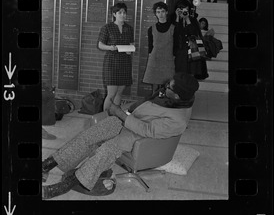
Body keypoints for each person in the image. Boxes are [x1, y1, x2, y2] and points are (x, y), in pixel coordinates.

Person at [42, 72, 199, 199]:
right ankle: (47, 165)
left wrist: (121, 115)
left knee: (106, 150)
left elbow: (147, 130)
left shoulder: (179, 119)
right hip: (129, 120)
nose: (165, 87)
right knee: (88, 136)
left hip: (139, 137)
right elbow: (142, 107)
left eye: (169, 87)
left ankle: (65, 186)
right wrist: (121, 111)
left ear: (177, 96)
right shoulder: (170, 97)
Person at [98, 3, 134, 111]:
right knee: (111, 93)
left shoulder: (129, 28)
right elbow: (100, 45)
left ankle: (114, 118)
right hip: (112, 62)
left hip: (125, 62)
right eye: (120, 13)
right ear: (114, 14)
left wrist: (130, 50)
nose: (122, 15)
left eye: (124, 12)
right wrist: (110, 47)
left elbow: (131, 44)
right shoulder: (107, 27)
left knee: (119, 93)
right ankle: (104, 119)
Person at [172, 0, 209, 80]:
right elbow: (175, 34)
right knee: (179, 75)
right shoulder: (174, 20)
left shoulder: (192, 20)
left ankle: (189, 92)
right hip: (179, 52)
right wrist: (177, 18)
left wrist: (187, 19)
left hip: (192, 51)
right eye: (181, 9)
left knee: (190, 76)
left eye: (186, 9)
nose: (184, 11)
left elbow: (194, 34)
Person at [143, 1, 175, 93]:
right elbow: (150, 46)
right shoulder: (151, 29)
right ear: (155, 14)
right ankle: (154, 104)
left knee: (168, 87)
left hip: (168, 59)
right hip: (155, 59)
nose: (160, 14)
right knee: (154, 87)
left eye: (163, 11)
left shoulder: (173, 28)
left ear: (167, 12)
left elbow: (176, 45)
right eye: (158, 12)